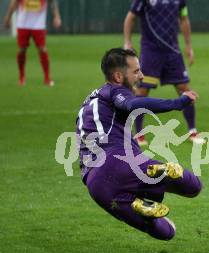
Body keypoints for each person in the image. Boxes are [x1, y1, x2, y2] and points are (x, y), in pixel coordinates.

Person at [76, 48, 202, 240]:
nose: (141, 76)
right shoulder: (114, 91)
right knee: (194, 186)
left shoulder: (89, 103)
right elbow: (132, 105)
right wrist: (177, 103)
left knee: (167, 232)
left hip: (97, 186)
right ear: (118, 76)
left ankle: (143, 201)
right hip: (116, 162)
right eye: (136, 72)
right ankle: (154, 181)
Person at [123, 0, 205, 145]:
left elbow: (184, 18)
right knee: (142, 91)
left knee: (184, 89)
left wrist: (188, 46)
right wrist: (127, 42)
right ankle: (139, 135)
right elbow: (131, 16)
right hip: (151, 52)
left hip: (173, 51)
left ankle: (192, 132)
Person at [3, 0, 62, 86]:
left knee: (42, 49)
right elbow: (14, 2)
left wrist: (57, 16)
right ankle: (21, 77)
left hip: (39, 24)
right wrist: (8, 17)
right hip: (23, 24)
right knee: (22, 50)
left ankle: (47, 78)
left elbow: (52, 2)